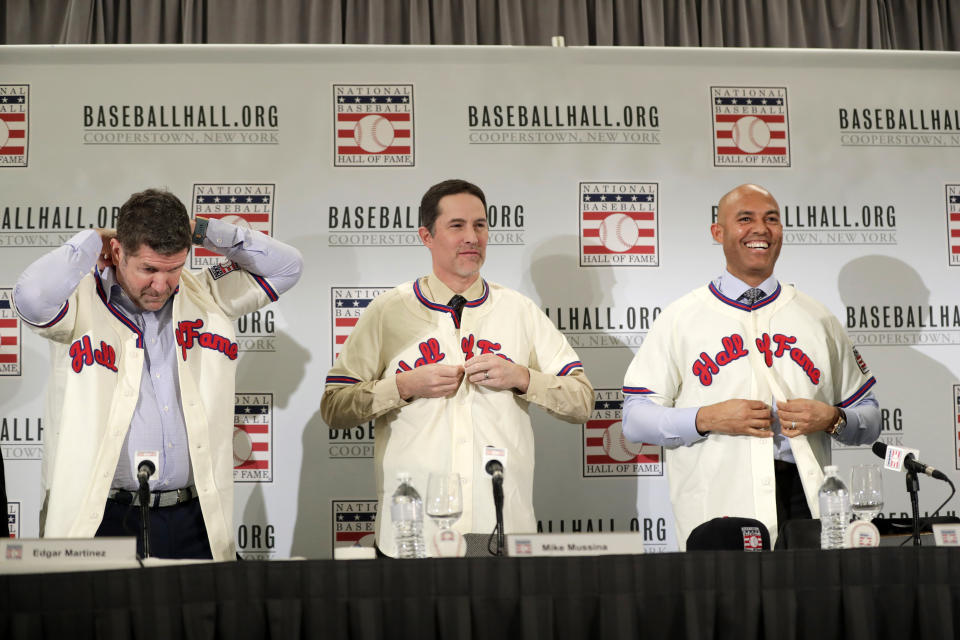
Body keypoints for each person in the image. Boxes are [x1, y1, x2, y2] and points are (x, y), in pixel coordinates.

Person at [13, 188, 302, 560]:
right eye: (148, 269)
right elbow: (30, 296)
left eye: (173, 269)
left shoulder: (205, 293)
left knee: (202, 618)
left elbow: (288, 266)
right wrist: (91, 240)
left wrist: (199, 231)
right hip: (103, 517)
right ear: (118, 252)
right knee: (99, 619)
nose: (161, 285)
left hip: (194, 517)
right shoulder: (78, 301)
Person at [321, 179, 593, 557]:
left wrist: (521, 377)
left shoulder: (518, 310)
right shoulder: (388, 311)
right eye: (457, 226)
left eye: (480, 225)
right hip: (413, 530)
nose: (472, 237)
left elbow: (582, 401)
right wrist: (402, 385)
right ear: (426, 236)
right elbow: (334, 406)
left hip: (500, 527)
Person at [621, 184, 879, 549]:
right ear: (718, 232)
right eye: (745, 219)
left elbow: (869, 417)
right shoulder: (681, 317)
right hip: (719, 505)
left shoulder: (817, 317)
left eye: (771, 219)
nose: (761, 229)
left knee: (808, 605)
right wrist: (706, 418)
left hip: (805, 500)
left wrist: (832, 418)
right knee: (726, 605)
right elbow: (634, 418)